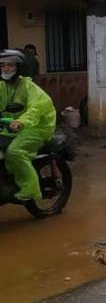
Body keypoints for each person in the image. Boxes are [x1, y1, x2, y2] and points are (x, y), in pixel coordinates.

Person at [0, 49, 56, 202]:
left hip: (37, 127)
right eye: (3, 65)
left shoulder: (29, 87)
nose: (6, 69)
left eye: (10, 65)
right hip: (10, 126)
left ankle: (31, 188)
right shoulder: (3, 86)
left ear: (19, 68)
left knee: (14, 151)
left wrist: (21, 122)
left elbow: (36, 108)